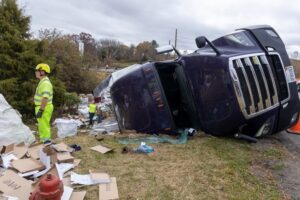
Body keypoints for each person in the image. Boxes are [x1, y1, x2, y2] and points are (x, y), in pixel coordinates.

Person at [34, 63, 54, 143]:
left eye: (37, 71)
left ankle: (46, 144)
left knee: (44, 126)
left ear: (42, 72)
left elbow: (45, 98)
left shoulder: (45, 83)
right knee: (42, 126)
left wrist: (41, 110)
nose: (35, 72)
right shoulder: (43, 82)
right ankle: (44, 143)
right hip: (43, 107)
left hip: (44, 107)